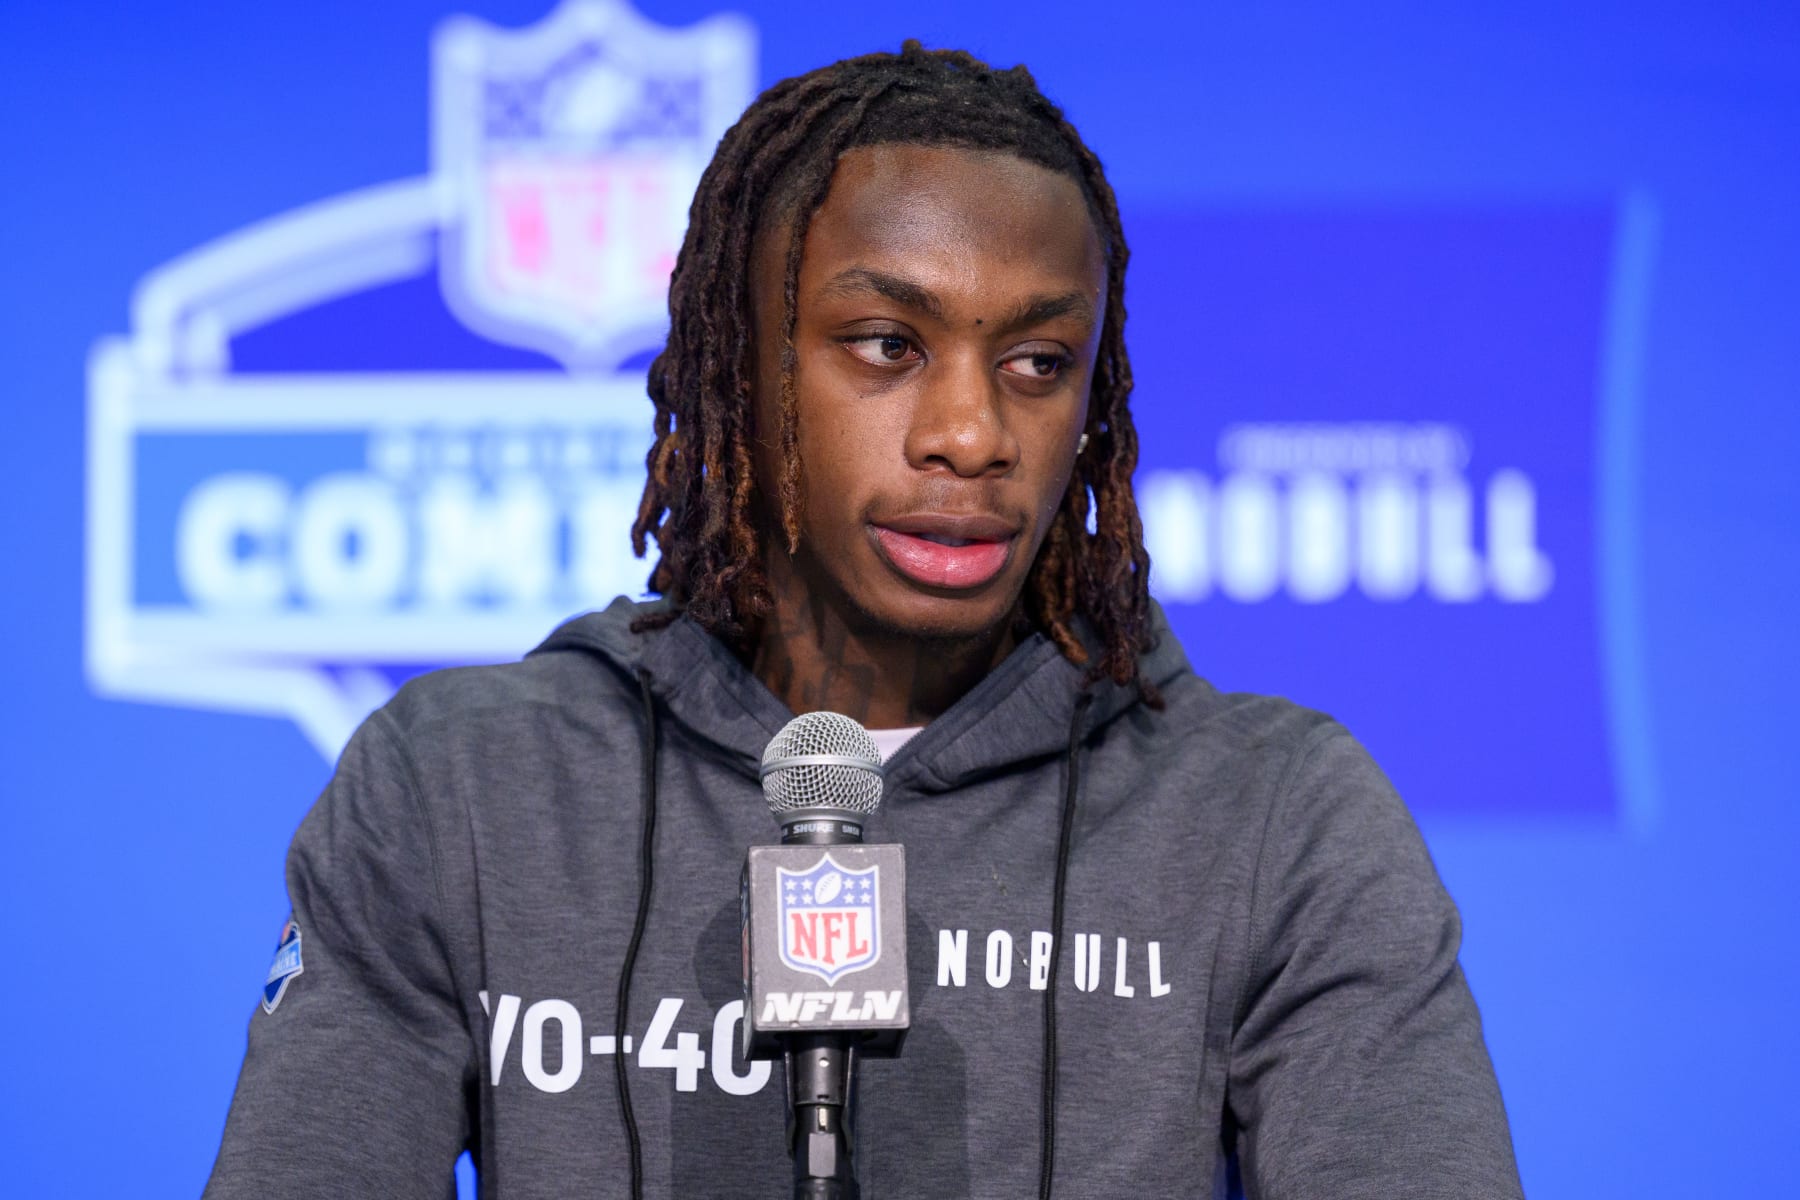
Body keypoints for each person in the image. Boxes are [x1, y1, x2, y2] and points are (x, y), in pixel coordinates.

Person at [205, 43, 1523, 1199]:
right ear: (745, 362)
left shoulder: (1276, 819)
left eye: (1038, 363)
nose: (971, 433)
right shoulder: (463, 787)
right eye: (888, 343)